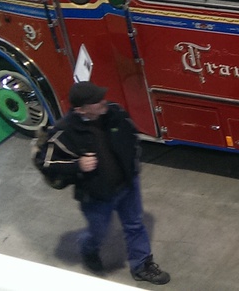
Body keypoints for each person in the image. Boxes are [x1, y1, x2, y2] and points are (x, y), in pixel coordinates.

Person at [35, 82, 171, 285]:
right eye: (96, 101)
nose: (103, 102)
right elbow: (44, 162)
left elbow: (132, 136)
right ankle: (88, 248)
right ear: (81, 109)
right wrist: (77, 165)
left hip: (128, 185)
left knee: (135, 225)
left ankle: (142, 266)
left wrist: (133, 163)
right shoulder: (65, 131)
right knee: (98, 232)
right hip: (97, 196)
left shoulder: (114, 112)